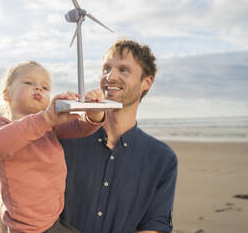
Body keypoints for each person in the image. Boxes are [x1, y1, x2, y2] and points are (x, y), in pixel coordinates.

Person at [60, 39, 178, 233]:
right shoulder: (67, 136)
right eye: (106, 68)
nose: (110, 76)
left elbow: (156, 225)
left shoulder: (162, 159)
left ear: (146, 82)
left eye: (123, 69)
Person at [0, 61, 105, 233]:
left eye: (45, 87)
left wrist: (94, 112)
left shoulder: (51, 128)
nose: (38, 88)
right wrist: (47, 118)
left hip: (53, 220)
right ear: (7, 93)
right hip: (26, 228)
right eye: (29, 83)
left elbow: (80, 127)